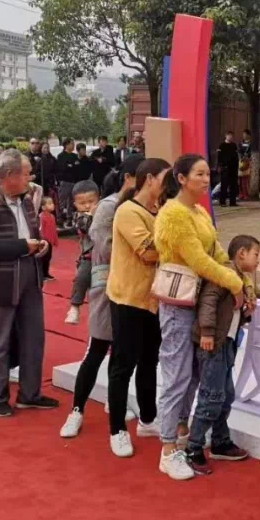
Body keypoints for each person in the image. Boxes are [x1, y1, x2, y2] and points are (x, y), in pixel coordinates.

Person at [153, 154, 243, 481]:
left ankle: (180, 434)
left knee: (192, 375)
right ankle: (167, 450)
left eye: (208, 174)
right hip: (178, 305)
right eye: (199, 174)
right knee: (177, 375)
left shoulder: (199, 211)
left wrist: (241, 279)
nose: (206, 180)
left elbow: (216, 252)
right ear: (181, 178)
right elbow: (199, 261)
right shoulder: (174, 214)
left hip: (198, 302)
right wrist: (234, 283)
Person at [59, 156, 145, 439]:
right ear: (130, 178)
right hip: (107, 287)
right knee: (97, 348)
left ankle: (114, 401)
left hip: (132, 289)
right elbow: (105, 248)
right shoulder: (108, 206)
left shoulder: (141, 206)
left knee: (122, 354)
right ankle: (77, 410)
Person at [0, 149, 58, 418]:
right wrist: (21, 246)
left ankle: (30, 394)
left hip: (30, 276)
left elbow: (33, 234)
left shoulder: (27, 200)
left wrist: (40, 246)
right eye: (27, 173)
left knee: (34, 339)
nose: (31, 178)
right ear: (10, 175)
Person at [106, 158, 171, 456]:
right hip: (129, 299)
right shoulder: (128, 212)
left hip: (154, 300)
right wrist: (179, 242)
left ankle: (147, 418)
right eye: (165, 179)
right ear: (150, 180)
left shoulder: (161, 210)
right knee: (123, 365)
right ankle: (117, 429)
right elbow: (148, 251)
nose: (169, 185)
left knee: (149, 361)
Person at [183, 234, 259, 474]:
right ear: (242, 253)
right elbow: (208, 301)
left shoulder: (241, 280)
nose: (258, 260)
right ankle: (193, 447)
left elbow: (232, 312)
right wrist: (207, 332)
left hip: (226, 343)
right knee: (212, 395)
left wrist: (247, 311)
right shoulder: (223, 274)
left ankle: (220, 440)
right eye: (256, 254)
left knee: (226, 394)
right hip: (213, 344)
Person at [64, 180, 101, 324]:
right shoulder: (79, 217)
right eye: (82, 203)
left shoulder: (105, 211)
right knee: (81, 277)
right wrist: (93, 215)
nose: (87, 206)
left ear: (99, 199)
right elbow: (86, 227)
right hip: (89, 256)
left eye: (91, 201)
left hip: (107, 255)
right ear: (75, 204)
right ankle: (75, 306)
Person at [56, 138, 81, 225]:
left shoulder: (74, 156)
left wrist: (71, 165)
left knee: (71, 201)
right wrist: (72, 165)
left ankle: (69, 218)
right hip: (64, 181)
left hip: (73, 181)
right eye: (72, 144)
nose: (73, 145)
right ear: (66, 145)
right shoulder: (61, 156)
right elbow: (62, 168)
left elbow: (77, 166)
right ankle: (59, 218)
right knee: (62, 200)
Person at [216, 131, 240, 207]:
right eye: (229, 135)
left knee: (233, 185)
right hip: (225, 168)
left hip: (233, 168)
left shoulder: (234, 145)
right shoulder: (222, 145)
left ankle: (232, 202)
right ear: (226, 136)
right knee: (224, 185)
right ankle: (222, 202)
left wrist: (237, 167)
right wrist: (220, 166)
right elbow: (219, 157)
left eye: (232, 136)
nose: (230, 137)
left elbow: (236, 157)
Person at [39, 196, 59, 281]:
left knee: (48, 258)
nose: (52, 205)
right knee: (43, 258)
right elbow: (40, 229)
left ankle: (46, 273)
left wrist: (55, 240)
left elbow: (54, 230)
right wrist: (42, 240)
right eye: (50, 203)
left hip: (50, 241)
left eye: (52, 203)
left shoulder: (52, 217)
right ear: (43, 207)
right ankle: (42, 274)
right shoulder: (41, 217)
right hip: (44, 242)